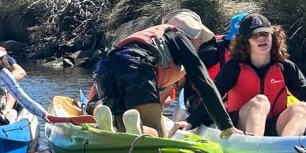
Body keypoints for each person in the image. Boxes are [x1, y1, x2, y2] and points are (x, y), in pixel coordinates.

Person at [90, 9, 241, 138]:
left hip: (104, 66)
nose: (200, 42)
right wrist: (226, 126)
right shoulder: (180, 37)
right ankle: (141, 129)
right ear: (191, 34)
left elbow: (115, 65)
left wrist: (92, 104)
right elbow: (204, 83)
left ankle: (113, 124)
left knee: (122, 124)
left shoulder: (144, 38)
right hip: (137, 66)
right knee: (157, 132)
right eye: (199, 38)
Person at [212, 14, 306, 136]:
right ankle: (254, 146)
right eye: (255, 36)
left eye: (265, 34)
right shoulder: (233, 67)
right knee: (260, 101)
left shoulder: (286, 67)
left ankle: (288, 149)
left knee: (302, 107)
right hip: (241, 126)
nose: (261, 39)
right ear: (245, 42)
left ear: (273, 37)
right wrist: (191, 123)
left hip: (274, 124)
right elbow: (212, 97)